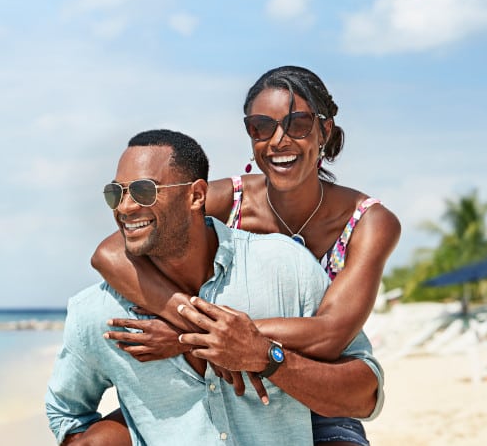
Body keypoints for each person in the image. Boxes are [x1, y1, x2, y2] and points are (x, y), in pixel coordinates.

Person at [89, 66, 401, 446]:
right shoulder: (230, 199)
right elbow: (109, 253)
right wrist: (199, 327)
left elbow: (330, 334)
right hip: (212, 376)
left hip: (305, 388)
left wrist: (189, 337)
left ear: (326, 130)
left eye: (298, 124)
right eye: (261, 127)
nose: (278, 141)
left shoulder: (369, 221)